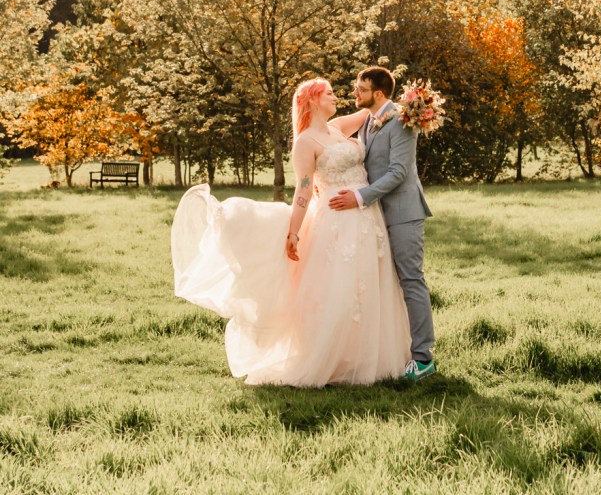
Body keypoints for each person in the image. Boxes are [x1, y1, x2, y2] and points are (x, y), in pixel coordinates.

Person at [171, 78, 411, 386]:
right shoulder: (305, 143)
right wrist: (294, 232)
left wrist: (414, 104)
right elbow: (304, 190)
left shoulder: (338, 127)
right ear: (312, 100)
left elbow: (375, 111)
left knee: (368, 285)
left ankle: (365, 358)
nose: (336, 97)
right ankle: (331, 359)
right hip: (336, 221)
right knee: (339, 290)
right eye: (329, 94)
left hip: (366, 217)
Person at [329, 66, 435, 379]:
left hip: (402, 212)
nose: (354, 93)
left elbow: (398, 172)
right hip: (374, 218)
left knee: (410, 280)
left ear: (377, 93)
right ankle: (388, 351)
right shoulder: (368, 122)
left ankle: (423, 357)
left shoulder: (402, 120)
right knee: (384, 285)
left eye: (360, 89)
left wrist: (360, 197)